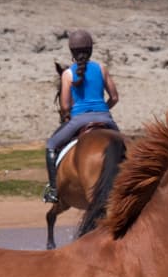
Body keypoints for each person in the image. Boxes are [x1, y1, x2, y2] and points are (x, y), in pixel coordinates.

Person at [43, 30, 120, 203]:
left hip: (78, 120)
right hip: (105, 118)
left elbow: (65, 106)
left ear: (72, 52)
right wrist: (102, 111)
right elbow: (114, 97)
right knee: (124, 146)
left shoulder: (68, 74)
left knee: (51, 145)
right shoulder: (101, 68)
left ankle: (54, 190)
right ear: (91, 50)